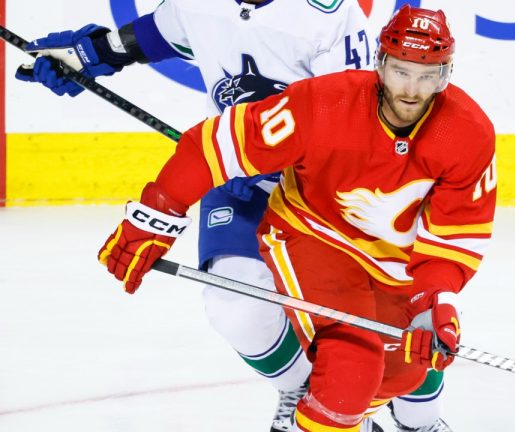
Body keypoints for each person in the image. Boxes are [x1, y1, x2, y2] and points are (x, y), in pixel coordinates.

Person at [16, 1, 454, 431]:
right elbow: (155, 34)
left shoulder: (331, 16)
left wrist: (282, 159)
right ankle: (307, 393)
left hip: (329, 192)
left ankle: (422, 420)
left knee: (391, 319)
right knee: (234, 307)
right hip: (239, 181)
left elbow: (362, 115)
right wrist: (85, 56)